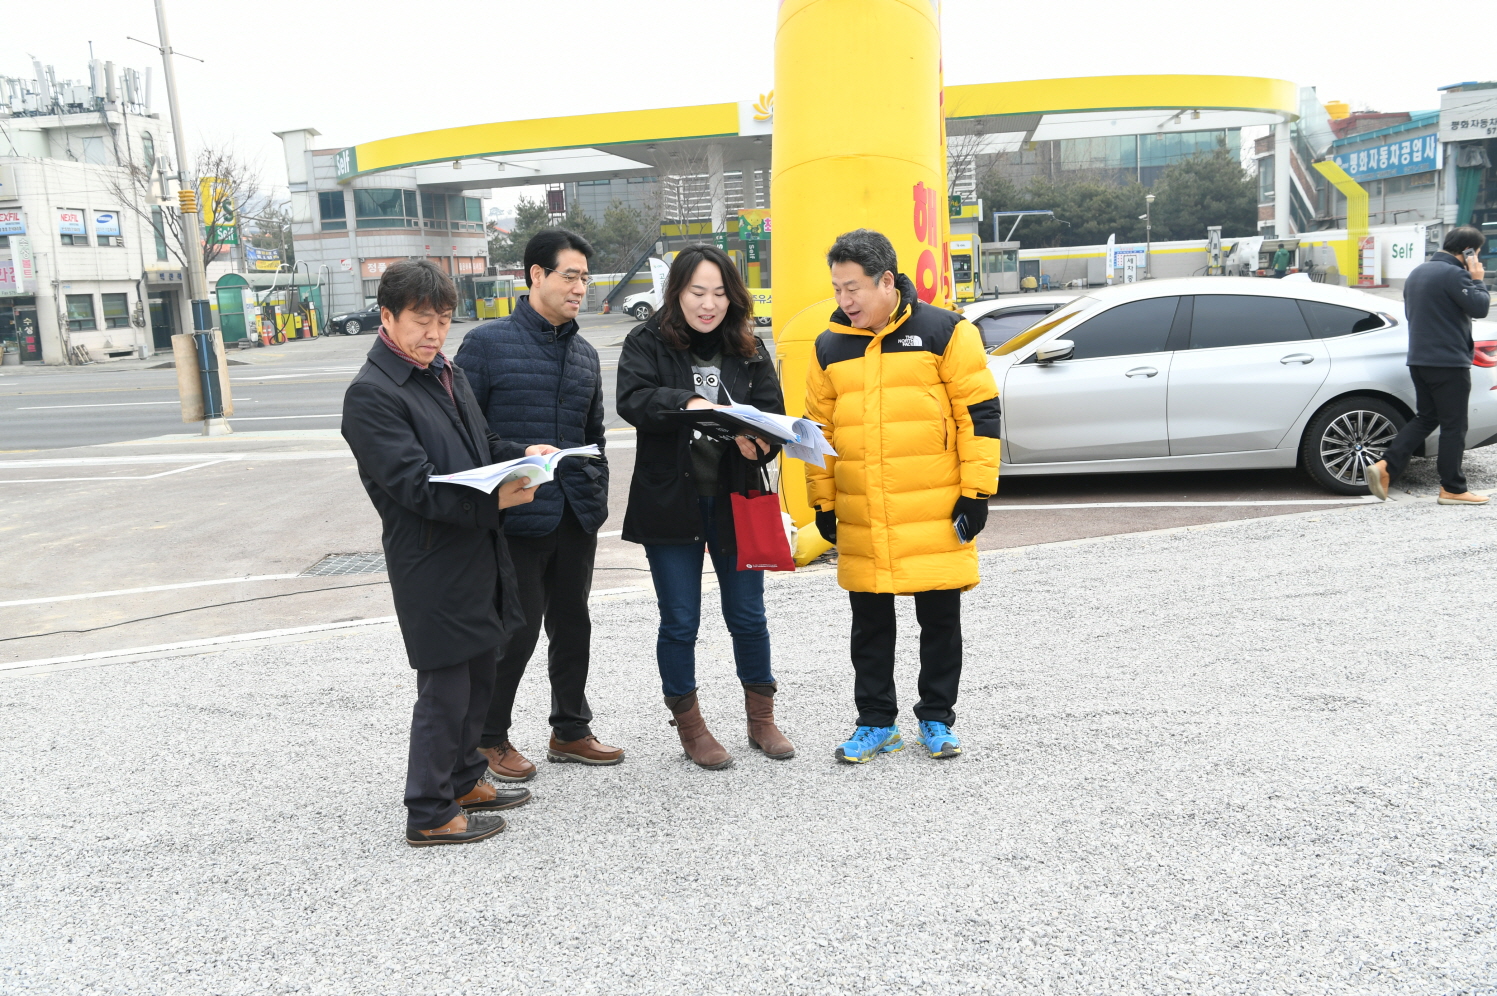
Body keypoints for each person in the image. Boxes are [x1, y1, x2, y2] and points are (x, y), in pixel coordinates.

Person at [342, 259, 557, 847]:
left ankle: (465, 780)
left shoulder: (445, 370)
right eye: (421, 321)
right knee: (445, 686)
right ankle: (430, 810)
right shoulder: (372, 393)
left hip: (477, 548)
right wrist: (500, 503)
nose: (434, 334)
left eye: (443, 319)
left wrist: (525, 454)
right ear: (386, 317)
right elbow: (414, 487)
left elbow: (480, 445)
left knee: (482, 668)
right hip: (431, 558)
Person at [804, 229, 1001, 764]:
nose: (844, 302)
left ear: (886, 281)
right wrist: (822, 503)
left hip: (933, 504)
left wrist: (976, 491)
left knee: (939, 620)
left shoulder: (946, 331)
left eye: (853, 289)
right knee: (869, 625)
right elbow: (815, 433)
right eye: (837, 289)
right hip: (862, 508)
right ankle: (875, 722)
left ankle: (936, 719)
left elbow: (979, 414)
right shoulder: (829, 346)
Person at [615, 244, 794, 768]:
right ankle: (691, 728)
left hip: (738, 501)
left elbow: (773, 415)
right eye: (697, 292)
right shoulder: (646, 342)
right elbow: (634, 400)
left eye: (719, 293)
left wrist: (761, 441)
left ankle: (762, 720)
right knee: (679, 620)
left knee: (749, 615)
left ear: (732, 297)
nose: (708, 304)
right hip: (672, 503)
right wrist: (689, 403)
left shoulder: (747, 346)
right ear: (677, 293)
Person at [454, 229, 622, 780]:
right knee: (515, 632)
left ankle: (570, 729)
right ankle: (488, 738)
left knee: (574, 625)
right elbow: (465, 432)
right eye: (570, 276)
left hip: (574, 513)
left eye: (584, 278)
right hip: (517, 512)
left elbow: (593, 436)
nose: (581, 288)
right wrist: (517, 455)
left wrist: (594, 494)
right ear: (536, 276)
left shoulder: (583, 353)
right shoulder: (485, 344)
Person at [1367, 226, 1491, 506]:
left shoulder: (1418, 273)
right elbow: (1480, 307)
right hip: (1447, 362)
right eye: (1477, 253)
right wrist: (1478, 279)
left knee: (1426, 417)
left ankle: (1385, 466)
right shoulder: (1455, 274)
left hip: (1419, 359)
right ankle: (1453, 488)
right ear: (1468, 251)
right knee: (1454, 426)